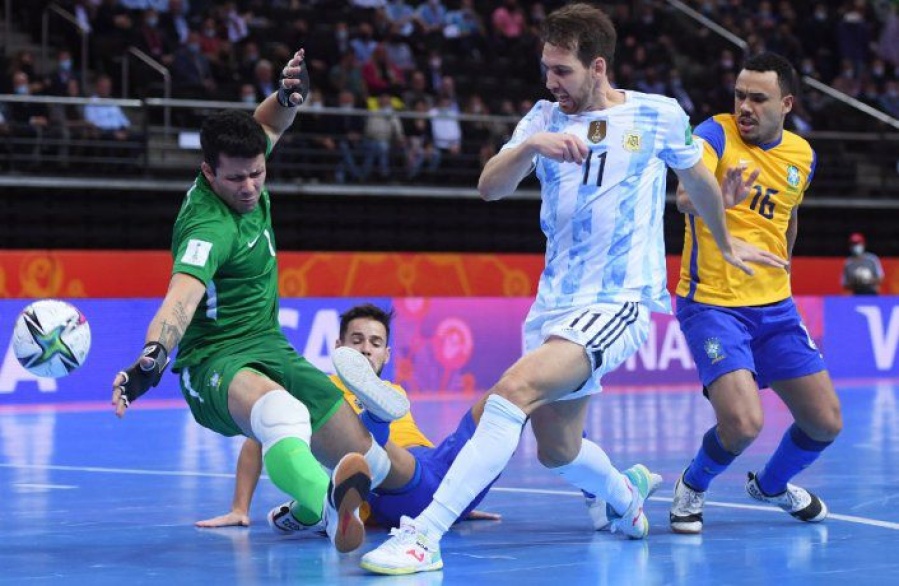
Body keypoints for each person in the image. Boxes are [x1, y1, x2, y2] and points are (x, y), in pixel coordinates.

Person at [360, 3, 780, 575]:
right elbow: (489, 188)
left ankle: (423, 536)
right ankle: (625, 495)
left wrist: (725, 242)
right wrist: (531, 147)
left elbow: (698, 180)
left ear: (597, 66)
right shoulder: (542, 119)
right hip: (553, 303)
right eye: (546, 69)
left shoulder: (658, 114)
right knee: (557, 449)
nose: (551, 82)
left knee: (511, 393)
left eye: (562, 71)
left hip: (618, 301)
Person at [110, 49, 416, 555]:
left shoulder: (246, 162)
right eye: (236, 179)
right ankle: (325, 507)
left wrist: (287, 99)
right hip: (214, 360)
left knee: (370, 459)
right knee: (281, 413)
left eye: (257, 173)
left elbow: (267, 125)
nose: (250, 186)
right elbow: (180, 298)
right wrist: (153, 357)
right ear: (208, 173)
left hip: (270, 345)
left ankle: (308, 512)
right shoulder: (209, 227)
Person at [668, 52, 843, 535]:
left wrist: (785, 267)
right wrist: (717, 198)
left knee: (825, 421)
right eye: (740, 95)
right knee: (743, 424)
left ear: (786, 104)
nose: (744, 106)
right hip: (713, 304)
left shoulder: (802, 156)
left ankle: (771, 486)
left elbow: (789, 215)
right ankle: (693, 484)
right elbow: (684, 197)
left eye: (758, 98)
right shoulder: (713, 134)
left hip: (775, 307)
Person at [195, 303, 529, 531]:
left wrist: (458, 495)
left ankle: (391, 432)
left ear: (387, 354)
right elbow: (259, 436)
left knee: (509, 399)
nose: (366, 348)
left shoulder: (393, 391)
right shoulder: (317, 389)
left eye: (375, 342)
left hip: (437, 470)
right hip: (390, 487)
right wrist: (239, 508)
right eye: (356, 341)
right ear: (338, 345)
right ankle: (376, 423)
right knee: (373, 451)